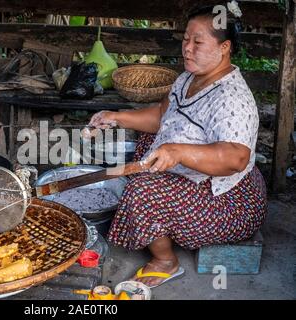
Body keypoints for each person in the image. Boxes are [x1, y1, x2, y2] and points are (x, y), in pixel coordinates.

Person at [88, 5, 267, 288]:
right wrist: (117, 116)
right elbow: (162, 117)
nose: (187, 48)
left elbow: (236, 158)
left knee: (141, 189)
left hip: (229, 202)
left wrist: (179, 151)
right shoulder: (188, 78)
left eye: (198, 42)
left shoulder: (232, 98)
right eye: (186, 39)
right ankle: (162, 219)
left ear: (224, 47)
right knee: (149, 143)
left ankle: (165, 262)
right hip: (199, 179)